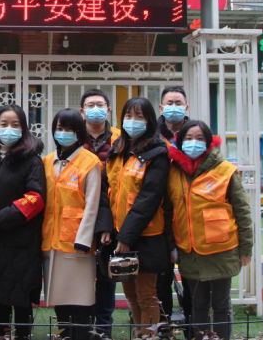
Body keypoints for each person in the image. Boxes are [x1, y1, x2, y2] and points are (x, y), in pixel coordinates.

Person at [167, 120, 253, 340]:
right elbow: (169, 211)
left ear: (208, 142)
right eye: (188, 138)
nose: (193, 143)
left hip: (222, 250)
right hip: (190, 251)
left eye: (199, 138)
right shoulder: (173, 170)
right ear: (179, 141)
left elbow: (242, 211)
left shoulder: (225, 170)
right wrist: (172, 246)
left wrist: (246, 249)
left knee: (221, 304)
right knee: (198, 304)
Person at [96, 97, 170, 338]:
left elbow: (149, 198)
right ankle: (140, 333)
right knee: (130, 293)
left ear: (149, 121)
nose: (132, 121)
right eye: (128, 116)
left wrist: (127, 237)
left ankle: (150, 335)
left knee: (146, 295)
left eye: (139, 116)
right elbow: (106, 191)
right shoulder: (117, 149)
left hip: (146, 236)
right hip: (119, 234)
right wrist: (107, 227)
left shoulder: (157, 153)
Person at [0, 105, 46, 340]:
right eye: (4, 124)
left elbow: (35, 198)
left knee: (20, 299)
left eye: (15, 124)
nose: (9, 129)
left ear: (24, 128)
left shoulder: (32, 161)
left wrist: (1, 219)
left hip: (20, 243)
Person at [42, 109, 102, 340]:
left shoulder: (90, 162)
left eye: (69, 129)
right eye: (59, 128)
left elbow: (92, 204)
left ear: (79, 133)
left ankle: (82, 335)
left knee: (80, 300)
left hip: (78, 244)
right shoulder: (47, 161)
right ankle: (64, 335)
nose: (63, 133)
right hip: (51, 242)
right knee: (60, 299)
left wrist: (84, 240)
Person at [79, 89, 120, 337]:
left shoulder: (120, 138)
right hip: (79, 214)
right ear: (82, 111)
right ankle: (83, 324)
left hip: (111, 214)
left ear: (108, 109)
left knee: (106, 274)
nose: (95, 109)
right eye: (90, 105)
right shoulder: (74, 137)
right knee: (82, 272)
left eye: (100, 104)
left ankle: (104, 325)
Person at [156, 86, 192, 324]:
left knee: (192, 282)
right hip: (159, 212)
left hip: (188, 212)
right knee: (161, 281)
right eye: (169, 103)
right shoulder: (151, 134)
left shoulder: (196, 133)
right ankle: (163, 329)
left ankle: (194, 329)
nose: (174, 107)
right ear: (161, 107)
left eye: (178, 103)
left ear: (186, 107)